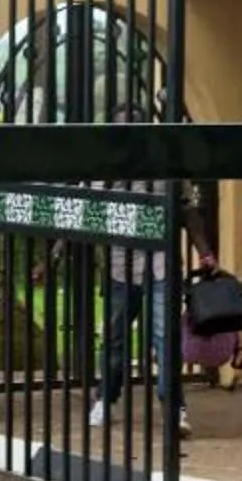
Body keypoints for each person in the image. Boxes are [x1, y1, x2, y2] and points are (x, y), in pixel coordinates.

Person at [88, 185, 215, 436]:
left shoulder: (169, 164)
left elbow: (188, 209)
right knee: (114, 339)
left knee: (166, 338)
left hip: (162, 263)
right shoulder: (107, 165)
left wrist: (204, 251)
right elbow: (86, 207)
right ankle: (105, 399)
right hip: (119, 266)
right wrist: (55, 253)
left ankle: (173, 409)